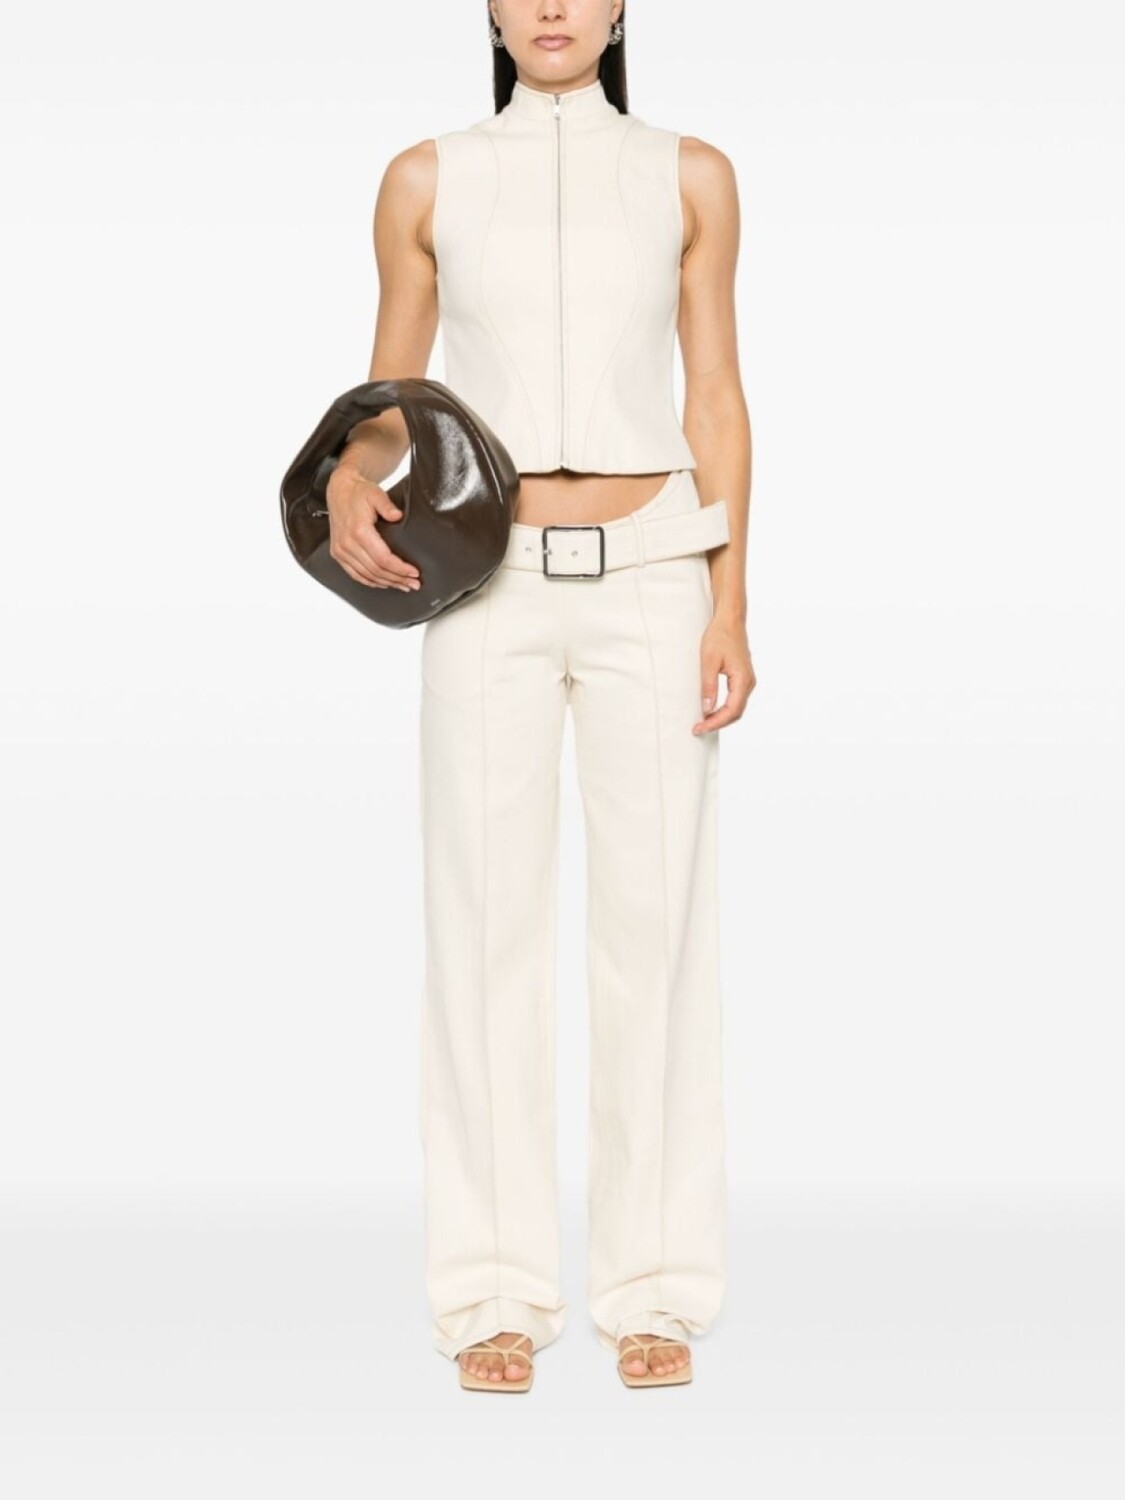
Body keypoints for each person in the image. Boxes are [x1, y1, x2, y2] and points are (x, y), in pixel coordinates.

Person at [326, 0, 754, 1390]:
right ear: (493, 9)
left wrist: (730, 602)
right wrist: (348, 473)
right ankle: (490, 1293)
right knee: (482, 930)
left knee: (657, 933)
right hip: (485, 588)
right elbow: (392, 402)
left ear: (621, 6)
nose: (553, 7)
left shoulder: (689, 172)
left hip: (655, 577)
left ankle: (655, 1289)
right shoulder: (427, 176)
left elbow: (713, 392)